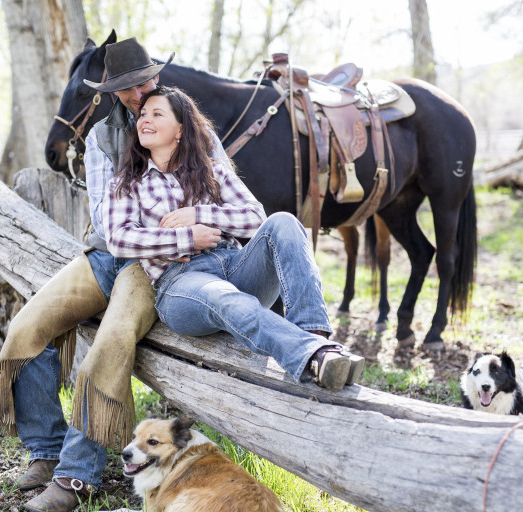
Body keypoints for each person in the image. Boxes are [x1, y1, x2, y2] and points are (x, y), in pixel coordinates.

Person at [0, 38, 229, 512]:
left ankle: (77, 474)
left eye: (142, 82)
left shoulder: (188, 126)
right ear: (111, 93)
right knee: (26, 329)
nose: (137, 94)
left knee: (111, 342)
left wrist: (187, 229)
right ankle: (47, 448)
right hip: (111, 254)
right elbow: (109, 226)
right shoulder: (102, 138)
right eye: (124, 88)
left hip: (155, 265)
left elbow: (222, 195)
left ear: (155, 77)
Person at [103, 85, 365, 393]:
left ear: (180, 129)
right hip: (180, 283)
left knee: (285, 222)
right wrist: (188, 238)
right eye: (143, 114)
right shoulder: (126, 183)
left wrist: (200, 215)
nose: (144, 119)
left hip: (235, 263)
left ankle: (317, 338)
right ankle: (313, 354)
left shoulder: (211, 171)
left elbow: (255, 217)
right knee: (224, 296)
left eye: (157, 114)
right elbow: (120, 240)